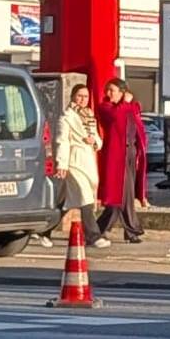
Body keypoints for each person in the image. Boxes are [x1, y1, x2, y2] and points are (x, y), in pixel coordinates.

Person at [49, 83, 105, 249]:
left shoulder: (89, 116)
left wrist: (93, 141)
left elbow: (98, 139)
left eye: (86, 96)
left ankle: (43, 230)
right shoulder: (65, 118)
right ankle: (93, 236)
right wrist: (62, 163)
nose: (82, 100)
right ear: (73, 96)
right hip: (74, 162)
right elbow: (62, 141)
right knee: (84, 196)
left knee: (66, 200)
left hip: (87, 161)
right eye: (79, 96)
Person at [94, 78, 148, 244]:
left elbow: (138, 128)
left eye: (113, 90)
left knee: (127, 194)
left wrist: (139, 152)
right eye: (108, 90)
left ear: (122, 92)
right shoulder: (106, 107)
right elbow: (117, 117)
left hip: (130, 152)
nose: (109, 94)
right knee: (118, 195)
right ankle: (126, 230)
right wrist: (126, 104)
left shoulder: (130, 108)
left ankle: (105, 229)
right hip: (116, 154)